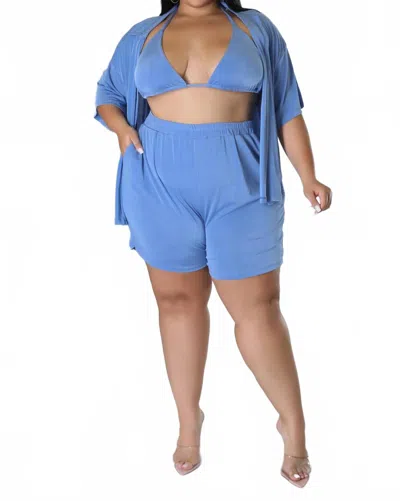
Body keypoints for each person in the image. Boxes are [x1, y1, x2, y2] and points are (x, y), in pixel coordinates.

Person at [94, 0, 332, 487]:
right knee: (176, 303)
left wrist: (308, 175)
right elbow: (107, 95)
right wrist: (122, 129)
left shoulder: (256, 29)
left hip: (241, 186)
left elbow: (286, 108)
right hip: (158, 185)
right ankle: (189, 422)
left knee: (258, 311)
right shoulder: (142, 34)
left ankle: (293, 424)